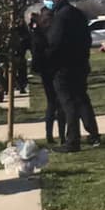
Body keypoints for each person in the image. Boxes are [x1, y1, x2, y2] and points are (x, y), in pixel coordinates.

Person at [43, 0, 101, 152]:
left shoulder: (61, 17)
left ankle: (72, 140)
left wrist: (46, 57)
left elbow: (55, 42)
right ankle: (93, 134)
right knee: (81, 99)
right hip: (80, 63)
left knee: (68, 103)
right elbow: (87, 39)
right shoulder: (77, 14)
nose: (46, 1)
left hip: (64, 66)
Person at [31, 8, 65, 144]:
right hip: (56, 69)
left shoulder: (38, 32)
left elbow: (35, 51)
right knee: (60, 104)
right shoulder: (54, 32)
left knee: (51, 103)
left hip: (46, 70)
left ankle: (50, 135)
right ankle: (62, 135)